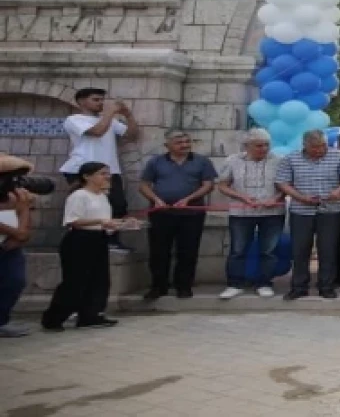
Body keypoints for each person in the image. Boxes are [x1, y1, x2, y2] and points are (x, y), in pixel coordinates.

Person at [275, 129, 340, 300]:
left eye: (322, 146)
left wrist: (339, 191)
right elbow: (282, 182)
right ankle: (299, 287)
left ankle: (326, 286)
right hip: (301, 211)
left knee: (328, 250)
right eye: (315, 147)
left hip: (331, 210)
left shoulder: (339, 156)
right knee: (300, 250)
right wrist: (300, 197)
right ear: (304, 145)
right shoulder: (291, 158)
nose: (319, 150)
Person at [139, 130, 217, 301]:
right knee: (159, 251)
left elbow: (208, 185)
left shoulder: (202, 161)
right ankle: (159, 286)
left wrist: (188, 199)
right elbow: (144, 185)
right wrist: (156, 200)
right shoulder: (155, 162)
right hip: (161, 214)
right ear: (167, 145)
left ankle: (184, 286)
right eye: (179, 142)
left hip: (192, 213)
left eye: (187, 142)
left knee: (188, 251)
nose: (185, 145)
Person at [42, 162, 122, 330]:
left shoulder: (103, 196)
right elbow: (73, 221)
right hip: (80, 241)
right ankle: (54, 318)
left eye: (108, 174)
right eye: (102, 173)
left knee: (99, 280)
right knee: (76, 281)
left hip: (99, 239)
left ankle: (90, 315)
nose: (107, 177)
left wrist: (119, 224)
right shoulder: (79, 195)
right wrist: (100, 221)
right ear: (87, 176)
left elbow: (104, 221)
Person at [60, 87, 140, 251]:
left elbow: (131, 136)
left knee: (118, 205)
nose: (101, 103)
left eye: (102, 100)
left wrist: (128, 115)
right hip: (82, 169)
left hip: (110, 170)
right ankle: (79, 239)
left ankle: (111, 240)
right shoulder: (74, 119)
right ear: (82, 102)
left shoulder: (109, 121)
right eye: (96, 100)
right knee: (85, 206)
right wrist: (109, 113)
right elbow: (97, 131)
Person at [215, 129, 285, 300]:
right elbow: (222, 185)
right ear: (247, 146)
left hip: (272, 212)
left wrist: (276, 198)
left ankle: (264, 283)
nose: (263, 149)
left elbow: (287, 185)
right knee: (237, 250)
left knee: (268, 250)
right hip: (241, 212)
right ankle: (234, 284)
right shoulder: (232, 161)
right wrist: (242, 197)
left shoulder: (279, 161)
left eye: (266, 145)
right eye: (259, 146)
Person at [0, 156, 35, 338]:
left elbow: (24, 230)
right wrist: (16, 233)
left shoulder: (17, 198)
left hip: (9, 250)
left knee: (14, 282)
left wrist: (25, 207)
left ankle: (1, 321)